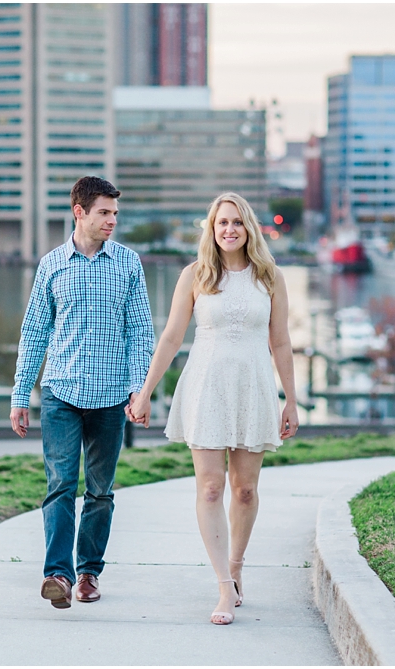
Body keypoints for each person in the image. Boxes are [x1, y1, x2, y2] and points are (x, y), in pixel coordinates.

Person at [127, 192, 299, 625]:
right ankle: (223, 587)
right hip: (206, 386)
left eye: (237, 222)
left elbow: (280, 341)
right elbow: (169, 338)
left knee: (244, 490)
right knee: (209, 488)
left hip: (254, 387)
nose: (229, 230)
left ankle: (236, 566)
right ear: (212, 227)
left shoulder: (270, 276)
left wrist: (290, 400)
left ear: (249, 228)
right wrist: (146, 391)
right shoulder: (195, 275)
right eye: (222, 222)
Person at [10, 176, 155, 609]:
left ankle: (89, 571)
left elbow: (140, 333)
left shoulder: (128, 264)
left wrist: (139, 390)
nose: (112, 220)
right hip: (60, 393)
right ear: (80, 212)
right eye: (104, 213)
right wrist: (21, 396)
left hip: (111, 399)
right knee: (59, 485)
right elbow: (34, 332)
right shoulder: (52, 265)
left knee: (100, 491)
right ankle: (57, 574)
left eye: (114, 213)